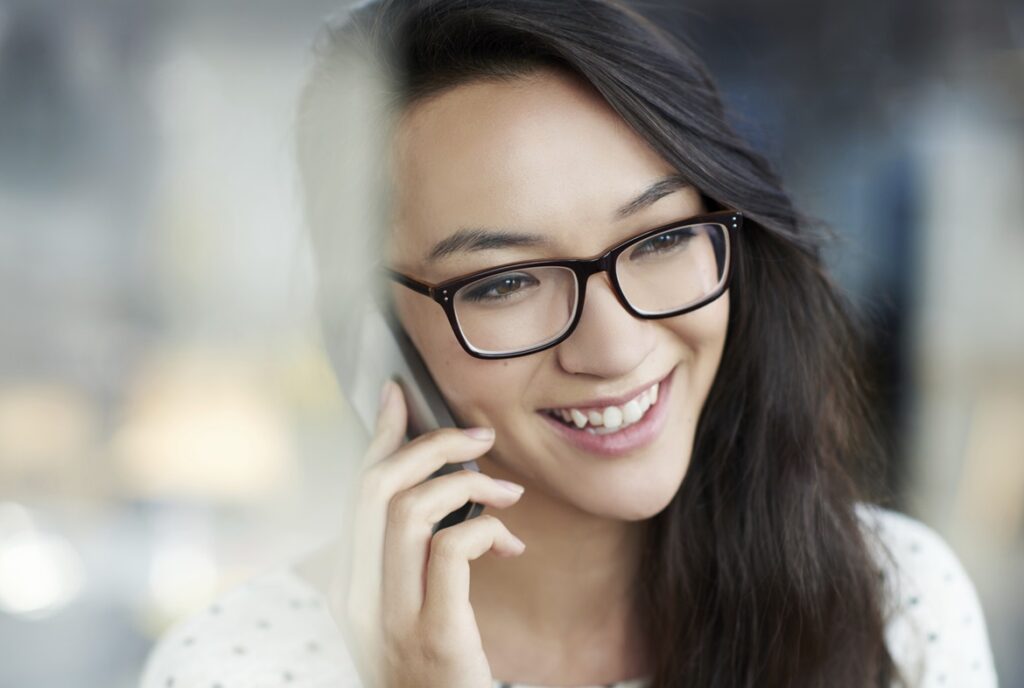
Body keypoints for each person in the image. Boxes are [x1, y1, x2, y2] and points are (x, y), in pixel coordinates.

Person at [139, 1, 999, 686]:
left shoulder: (894, 603)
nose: (615, 347)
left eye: (661, 239)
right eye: (504, 282)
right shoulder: (237, 666)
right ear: (382, 331)